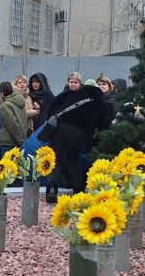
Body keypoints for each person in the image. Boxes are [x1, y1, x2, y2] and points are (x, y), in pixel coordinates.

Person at [44, 73, 109, 201]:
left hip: (59, 130)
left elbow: (51, 110)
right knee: (73, 160)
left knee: (56, 159)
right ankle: (78, 191)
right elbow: (104, 122)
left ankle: (52, 188)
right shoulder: (97, 102)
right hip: (79, 134)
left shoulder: (66, 95)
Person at [0, 81, 28, 157]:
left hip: (8, 142)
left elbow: (12, 124)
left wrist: (20, 141)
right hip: (20, 139)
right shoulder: (19, 102)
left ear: (2, 93)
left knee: (8, 167)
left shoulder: (5, 105)